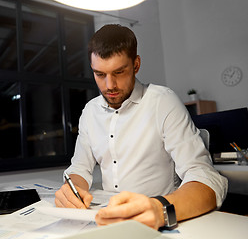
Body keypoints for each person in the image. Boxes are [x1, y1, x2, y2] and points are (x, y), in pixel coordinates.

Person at [54, 24, 227, 230]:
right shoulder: (90, 112)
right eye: (100, 74)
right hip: (110, 222)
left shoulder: (162, 102)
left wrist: (159, 208)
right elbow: (79, 169)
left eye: (119, 72)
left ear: (136, 65)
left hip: (159, 221)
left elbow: (205, 177)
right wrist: (71, 190)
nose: (109, 85)